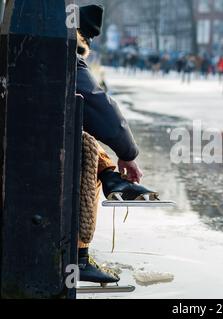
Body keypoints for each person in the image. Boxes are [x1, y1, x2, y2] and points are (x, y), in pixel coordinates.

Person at [76, 5, 154, 284]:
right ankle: (78, 257)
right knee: (84, 153)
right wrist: (128, 153)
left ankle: (111, 177)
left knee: (86, 142)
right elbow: (99, 106)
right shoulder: (63, 51)